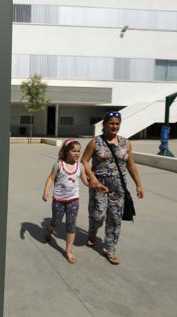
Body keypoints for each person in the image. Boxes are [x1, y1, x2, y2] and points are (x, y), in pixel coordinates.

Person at [81, 111, 144, 265]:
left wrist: (139, 184)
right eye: (111, 123)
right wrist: (93, 178)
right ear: (104, 125)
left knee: (115, 219)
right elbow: (84, 161)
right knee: (98, 215)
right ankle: (92, 232)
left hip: (119, 189)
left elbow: (131, 165)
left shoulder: (126, 143)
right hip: (99, 186)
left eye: (117, 123)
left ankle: (110, 249)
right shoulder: (95, 142)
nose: (114, 126)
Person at [42, 139, 89, 264]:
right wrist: (46, 191)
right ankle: (49, 229)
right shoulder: (59, 165)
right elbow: (51, 178)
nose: (77, 153)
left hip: (73, 200)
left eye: (79, 151)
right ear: (66, 151)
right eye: (74, 151)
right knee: (56, 222)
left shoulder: (80, 166)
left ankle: (68, 251)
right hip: (58, 200)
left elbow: (86, 182)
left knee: (71, 224)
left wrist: (96, 184)